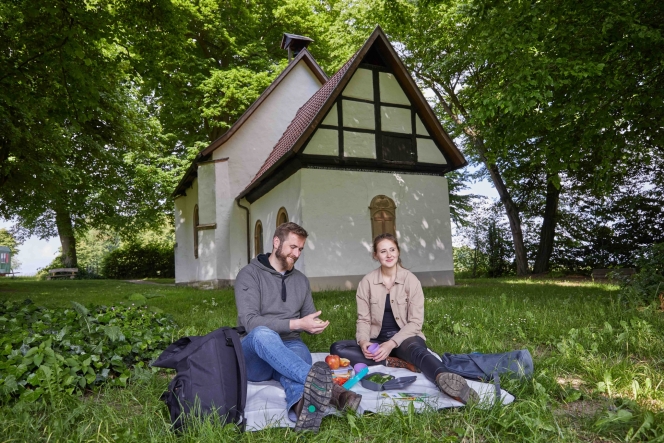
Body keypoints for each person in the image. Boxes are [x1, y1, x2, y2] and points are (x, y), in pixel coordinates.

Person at [234, 222, 361, 432]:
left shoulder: (301, 280)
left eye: (300, 249)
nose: (296, 253)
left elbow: (307, 317)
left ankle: (303, 408)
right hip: (255, 351)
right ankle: (336, 393)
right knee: (263, 334)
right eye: (293, 247)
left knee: (294, 360)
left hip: (290, 344)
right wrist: (297, 324)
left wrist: (312, 325)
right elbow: (250, 322)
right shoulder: (249, 274)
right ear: (276, 242)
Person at [330, 233, 479, 404]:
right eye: (383, 251)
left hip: (405, 338)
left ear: (398, 251)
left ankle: (445, 379)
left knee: (417, 351)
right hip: (376, 340)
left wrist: (391, 343)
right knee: (337, 347)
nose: (389, 255)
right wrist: (364, 342)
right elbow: (363, 319)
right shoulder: (367, 282)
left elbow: (415, 322)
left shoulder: (411, 280)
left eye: (392, 249)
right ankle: (395, 362)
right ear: (376, 255)